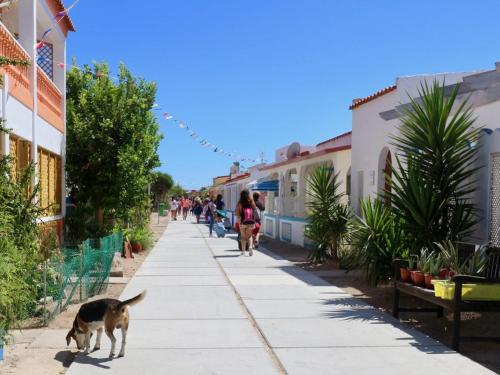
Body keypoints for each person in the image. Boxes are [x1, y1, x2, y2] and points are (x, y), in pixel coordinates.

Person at [235, 189, 257, 256]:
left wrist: (238, 221)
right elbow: (255, 209)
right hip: (251, 221)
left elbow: (238, 213)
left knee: (243, 237)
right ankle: (250, 247)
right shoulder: (251, 201)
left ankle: (243, 251)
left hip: (242, 221)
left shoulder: (240, 202)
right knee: (249, 236)